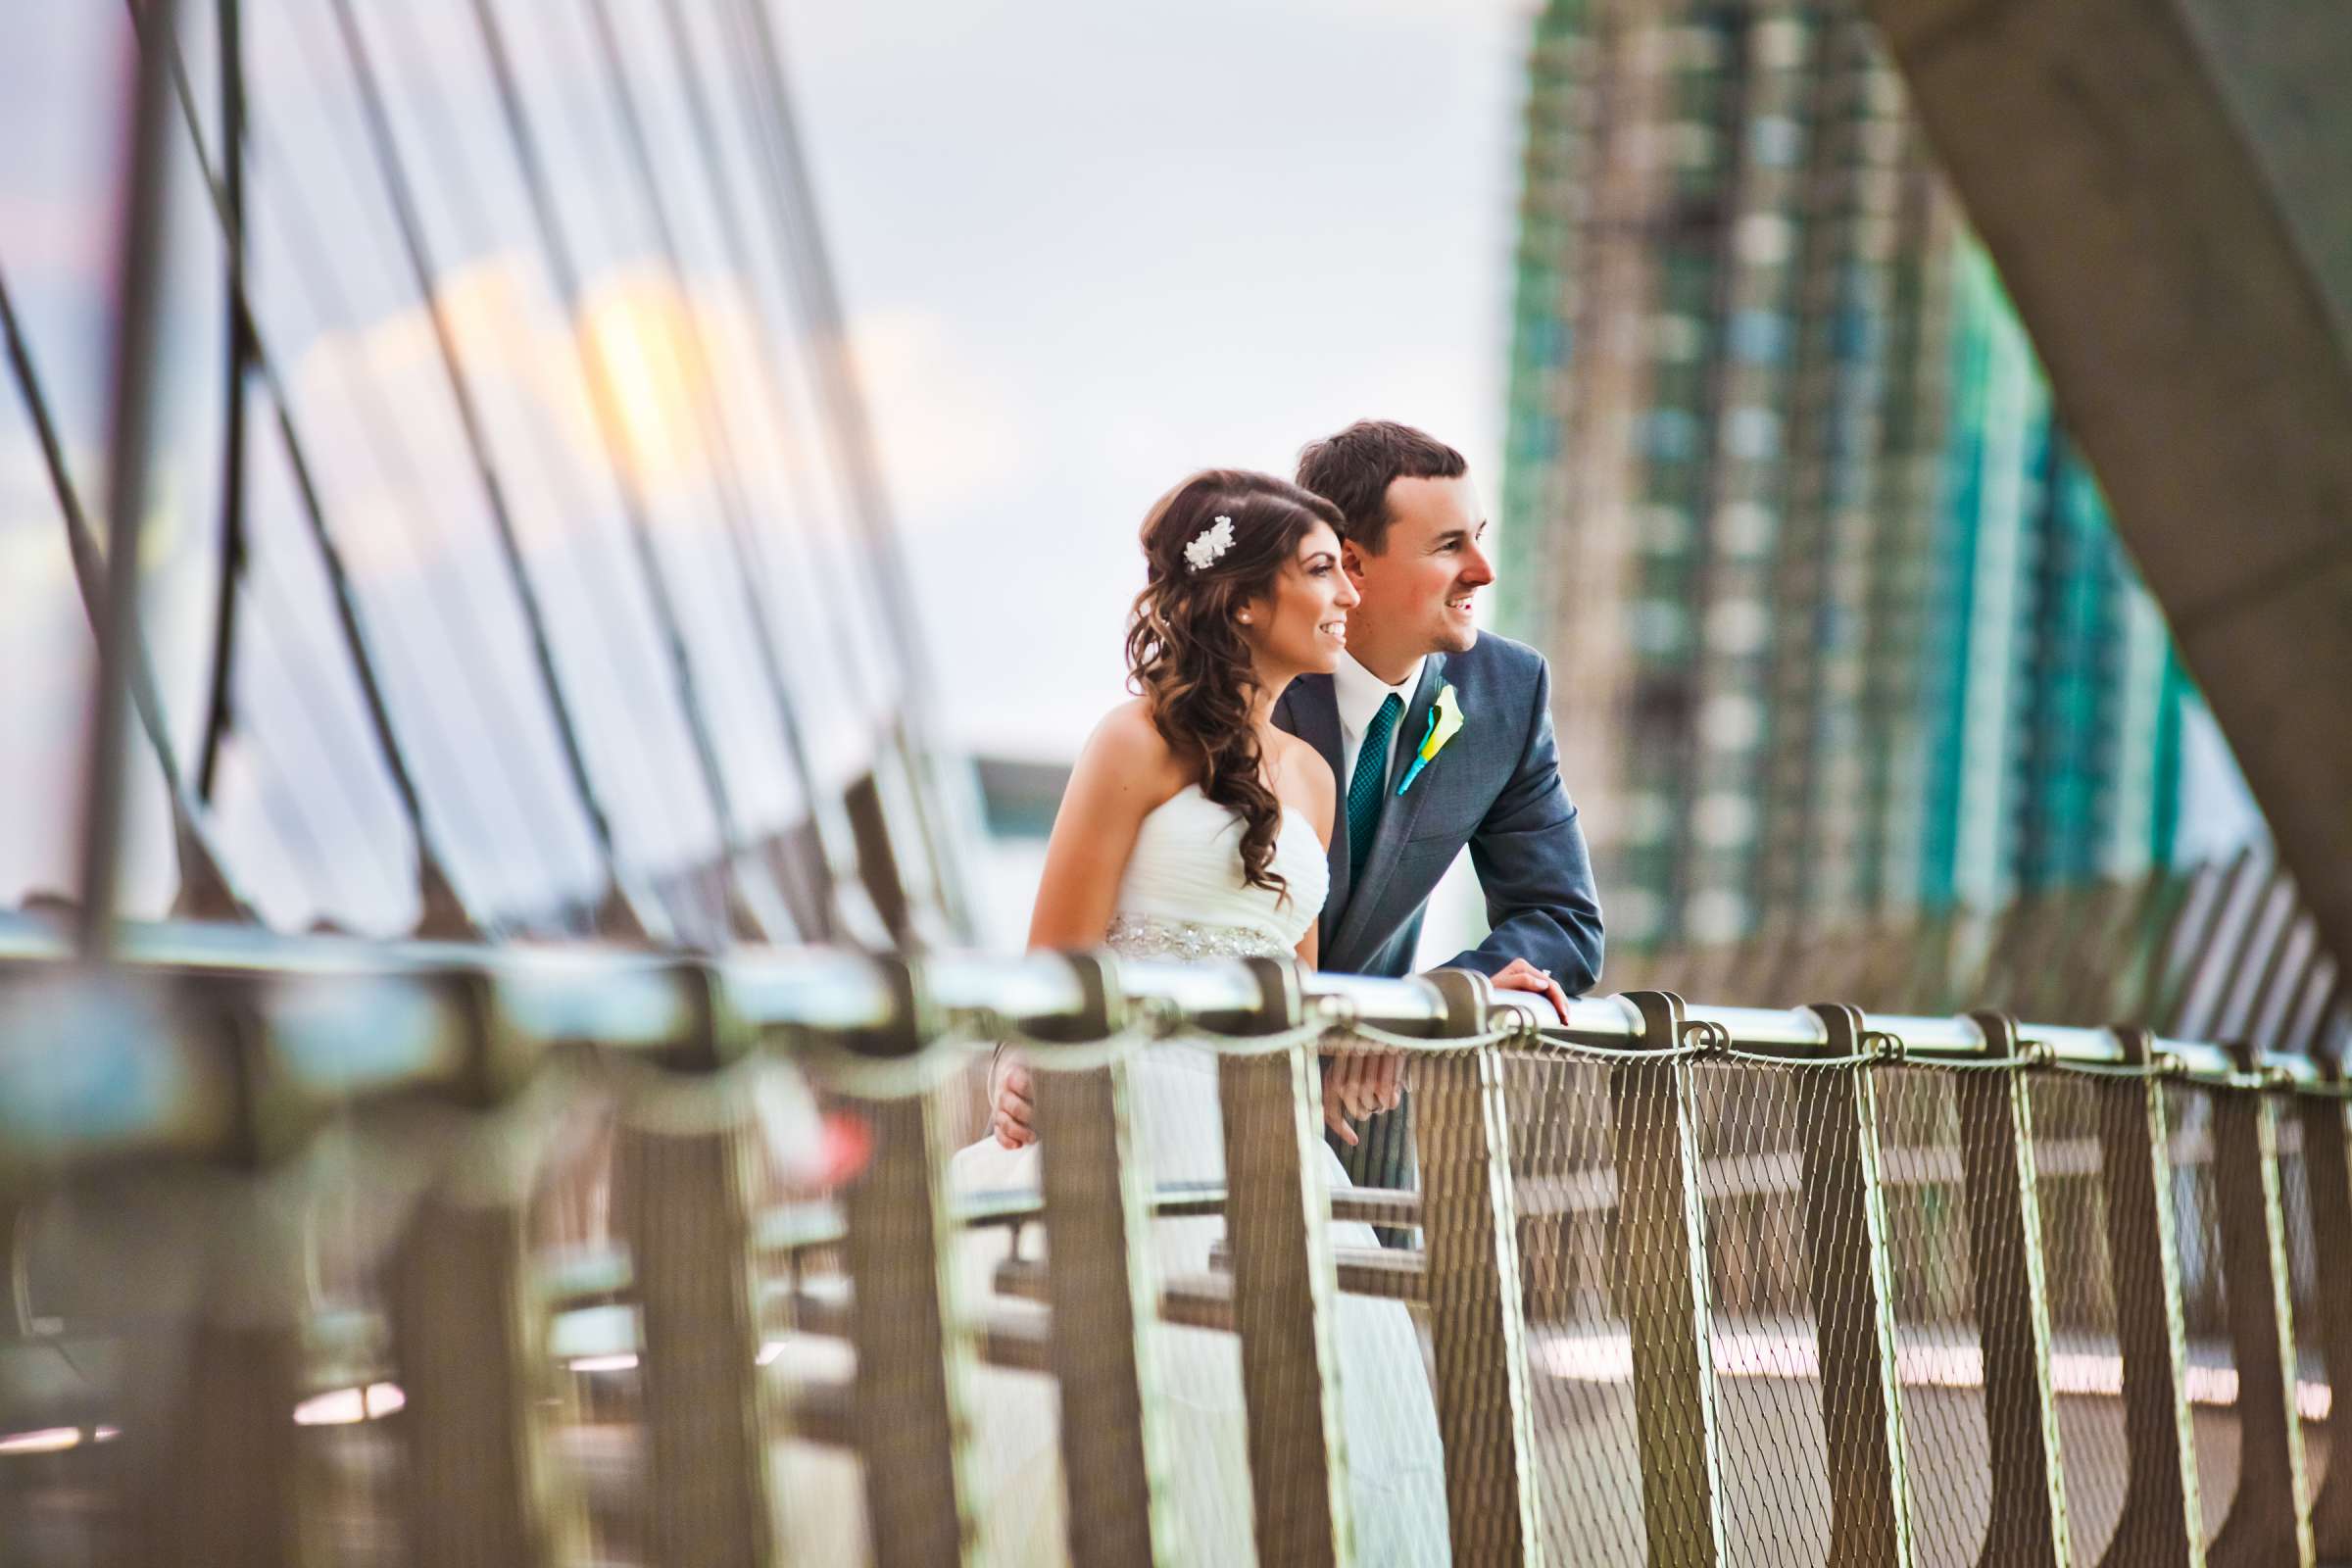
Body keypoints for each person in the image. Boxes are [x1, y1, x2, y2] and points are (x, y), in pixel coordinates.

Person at [950, 469, 1448, 1563]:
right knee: (1124, 1420)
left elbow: (1295, 988)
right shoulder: (1132, 744)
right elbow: (1054, 963)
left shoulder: (1314, 776)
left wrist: (1364, 1043)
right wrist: (1020, 1062)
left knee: (1301, 1419)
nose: (1346, 599)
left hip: (1266, 1142)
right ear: (1241, 603)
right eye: (1321, 571)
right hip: (1119, 1126)